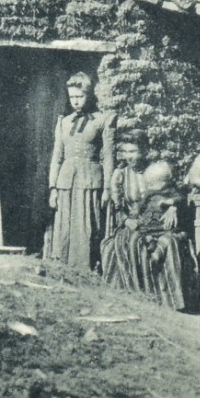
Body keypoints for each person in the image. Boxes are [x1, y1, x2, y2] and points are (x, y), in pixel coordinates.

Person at [46, 72, 114, 271]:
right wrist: (53, 188)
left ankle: (86, 269)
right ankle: (62, 268)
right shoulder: (64, 122)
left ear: (89, 95)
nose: (75, 101)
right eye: (72, 97)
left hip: (89, 180)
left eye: (80, 96)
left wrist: (107, 188)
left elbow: (108, 156)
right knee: (65, 226)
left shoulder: (102, 120)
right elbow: (57, 156)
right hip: (66, 181)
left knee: (86, 226)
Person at [136, 161, 194, 311]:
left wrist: (170, 203)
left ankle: (158, 252)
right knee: (144, 237)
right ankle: (150, 245)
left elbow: (180, 198)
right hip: (150, 227)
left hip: (164, 229)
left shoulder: (171, 192)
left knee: (166, 239)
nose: (152, 187)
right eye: (150, 184)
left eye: (156, 184)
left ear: (165, 183)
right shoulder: (149, 194)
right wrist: (137, 215)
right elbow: (140, 207)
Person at [102, 131, 149, 290]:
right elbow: (117, 208)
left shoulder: (154, 170)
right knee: (130, 242)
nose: (129, 157)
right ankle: (135, 289)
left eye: (133, 151)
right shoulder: (120, 174)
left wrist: (172, 208)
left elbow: (168, 193)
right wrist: (127, 220)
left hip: (153, 222)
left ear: (144, 151)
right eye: (126, 152)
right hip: (130, 224)